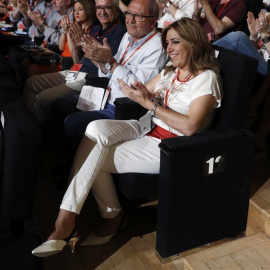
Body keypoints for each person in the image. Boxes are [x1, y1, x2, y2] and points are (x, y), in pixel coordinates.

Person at [31, 17, 222, 257]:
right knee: (95, 130)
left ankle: (93, 219)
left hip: (171, 145)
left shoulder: (207, 79)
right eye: (167, 43)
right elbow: (142, 89)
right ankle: (69, 218)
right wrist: (134, 87)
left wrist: (149, 104)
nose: (169, 49)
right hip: (144, 127)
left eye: (175, 42)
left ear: (193, 43)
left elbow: (191, 126)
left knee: (93, 155)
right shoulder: (170, 71)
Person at [52, 0, 166, 147]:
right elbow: (108, 72)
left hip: (122, 107)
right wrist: (100, 59)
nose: (130, 20)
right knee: (59, 106)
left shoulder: (157, 47)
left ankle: (74, 163)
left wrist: (111, 62)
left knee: (73, 123)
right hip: (104, 95)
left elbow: (138, 88)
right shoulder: (128, 36)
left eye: (138, 16)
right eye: (129, 14)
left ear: (153, 21)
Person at [23, 0, 126, 124]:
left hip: (91, 80)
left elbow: (106, 69)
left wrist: (88, 49)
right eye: (99, 8)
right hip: (76, 72)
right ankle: (28, 125)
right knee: (32, 82)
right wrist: (76, 45)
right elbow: (77, 61)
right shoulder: (96, 29)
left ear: (116, 10)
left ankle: (41, 135)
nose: (102, 12)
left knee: (44, 98)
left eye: (107, 8)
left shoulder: (120, 32)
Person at [213, 11, 270, 76]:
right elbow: (252, 50)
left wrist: (264, 34)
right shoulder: (267, 17)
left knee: (238, 39)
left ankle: (205, 55)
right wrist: (254, 35)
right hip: (256, 62)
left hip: (267, 71)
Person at [119, 0, 195, 29]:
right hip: (153, 29)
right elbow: (138, 15)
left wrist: (167, 3)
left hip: (171, 37)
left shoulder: (195, 2)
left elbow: (187, 23)